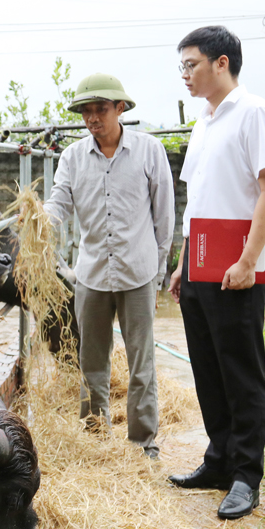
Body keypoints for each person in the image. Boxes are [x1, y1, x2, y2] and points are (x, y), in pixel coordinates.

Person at [166, 26, 265, 520]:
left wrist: (247, 261)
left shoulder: (253, 112)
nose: (185, 75)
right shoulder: (203, 122)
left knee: (241, 372)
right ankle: (217, 461)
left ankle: (245, 476)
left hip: (237, 269)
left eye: (191, 64)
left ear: (221, 63)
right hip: (200, 265)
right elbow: (197, 201)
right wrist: (182, 263)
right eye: (182, 67)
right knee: (208, 369)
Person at [43, 73, 174, 458]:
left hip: (138, 271)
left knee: (141, 359)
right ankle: (95, 433)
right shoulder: (72, 158)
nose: (92, 117)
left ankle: (143, 440)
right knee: (91, 360)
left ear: (120, 108)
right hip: (94, 273)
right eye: (86, 110)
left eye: (101, 108)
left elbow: (164, 216)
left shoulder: (149, 151)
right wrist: (38, 220)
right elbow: (59, 203)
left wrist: (159, 268)